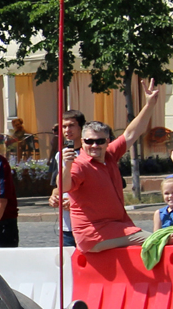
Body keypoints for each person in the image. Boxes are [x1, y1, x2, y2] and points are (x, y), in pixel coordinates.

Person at [61, 79, 160, 253]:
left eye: (99, 141)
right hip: (94, 235)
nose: (94, 146)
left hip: (116, 228)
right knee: (158, 241)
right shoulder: (80, 165)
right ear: (82, 142)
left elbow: (131, 133)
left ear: (107, 141)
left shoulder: (110, 154)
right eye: (89, 141)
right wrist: (66, 167)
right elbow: (65, 186)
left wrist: (149, 105)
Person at [48, 110, 86, 247]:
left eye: (71, 125)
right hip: (67, 226)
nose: (67, 130)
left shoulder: (90, 153)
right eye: (64, 127)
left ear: (81, 127)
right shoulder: (61, 155)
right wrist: (54, 197)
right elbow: (57, 187)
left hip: (87, 224)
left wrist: (74, 201)